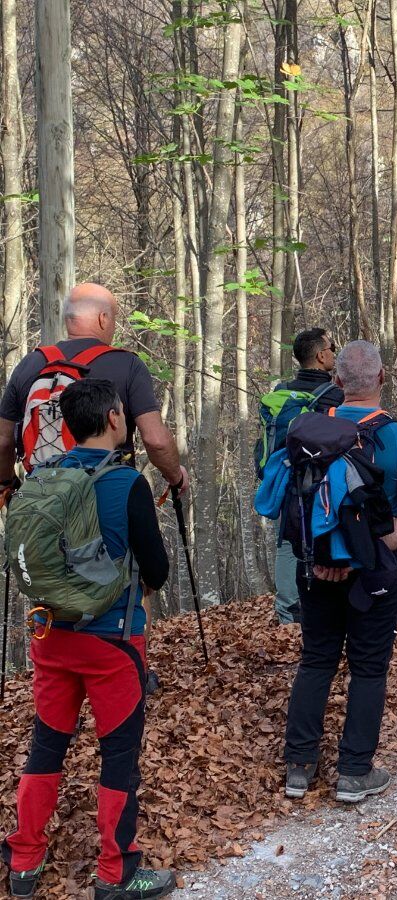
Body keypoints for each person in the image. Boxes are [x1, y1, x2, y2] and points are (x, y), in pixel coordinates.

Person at [2, 379, 174, 900]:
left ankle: (24, 862)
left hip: (51, 638)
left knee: (47, 744)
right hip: (112, 643)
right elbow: (157, 570)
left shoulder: (41, 477)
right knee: (118, 753)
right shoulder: (127, 483)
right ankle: (116, 874)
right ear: (115, 418)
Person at [282, 341, 397, 804]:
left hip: (314, 569)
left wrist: (331, 553)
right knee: (368, 669)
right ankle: (353, 772)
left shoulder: (306, 431)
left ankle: (298, 768)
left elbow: (292, 505)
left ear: (337, 381)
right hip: (375, 576)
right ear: (382, 378)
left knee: (316, 660)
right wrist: (366, 551)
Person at [0, 283, 188, 492]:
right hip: (107, 497)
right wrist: (176, 477)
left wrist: (7, 484)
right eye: (114, 319)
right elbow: (155, 440)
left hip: (44, 498)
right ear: (103, 318)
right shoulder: (128, 365)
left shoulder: (29, 364)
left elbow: (3, 441)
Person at [271, 328, 345, 624]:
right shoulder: (336, 396)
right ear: (321, 355)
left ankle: (287, 609)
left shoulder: (281, 394)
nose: (334, 353)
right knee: (327, 533)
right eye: (332, 348)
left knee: (288, 539)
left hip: (288, 480)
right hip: (326, 483)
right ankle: (326, 598)